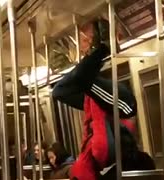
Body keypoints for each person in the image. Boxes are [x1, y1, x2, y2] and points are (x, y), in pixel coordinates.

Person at [53, 19, 155, 180]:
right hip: (120, 159)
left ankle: (107, 44)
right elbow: (59, 91)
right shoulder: (92, 100)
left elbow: (77, 79)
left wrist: (102, 49)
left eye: (86, 39)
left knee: (81, 80)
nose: (81, 47)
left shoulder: (111, 95)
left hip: (124, 108)